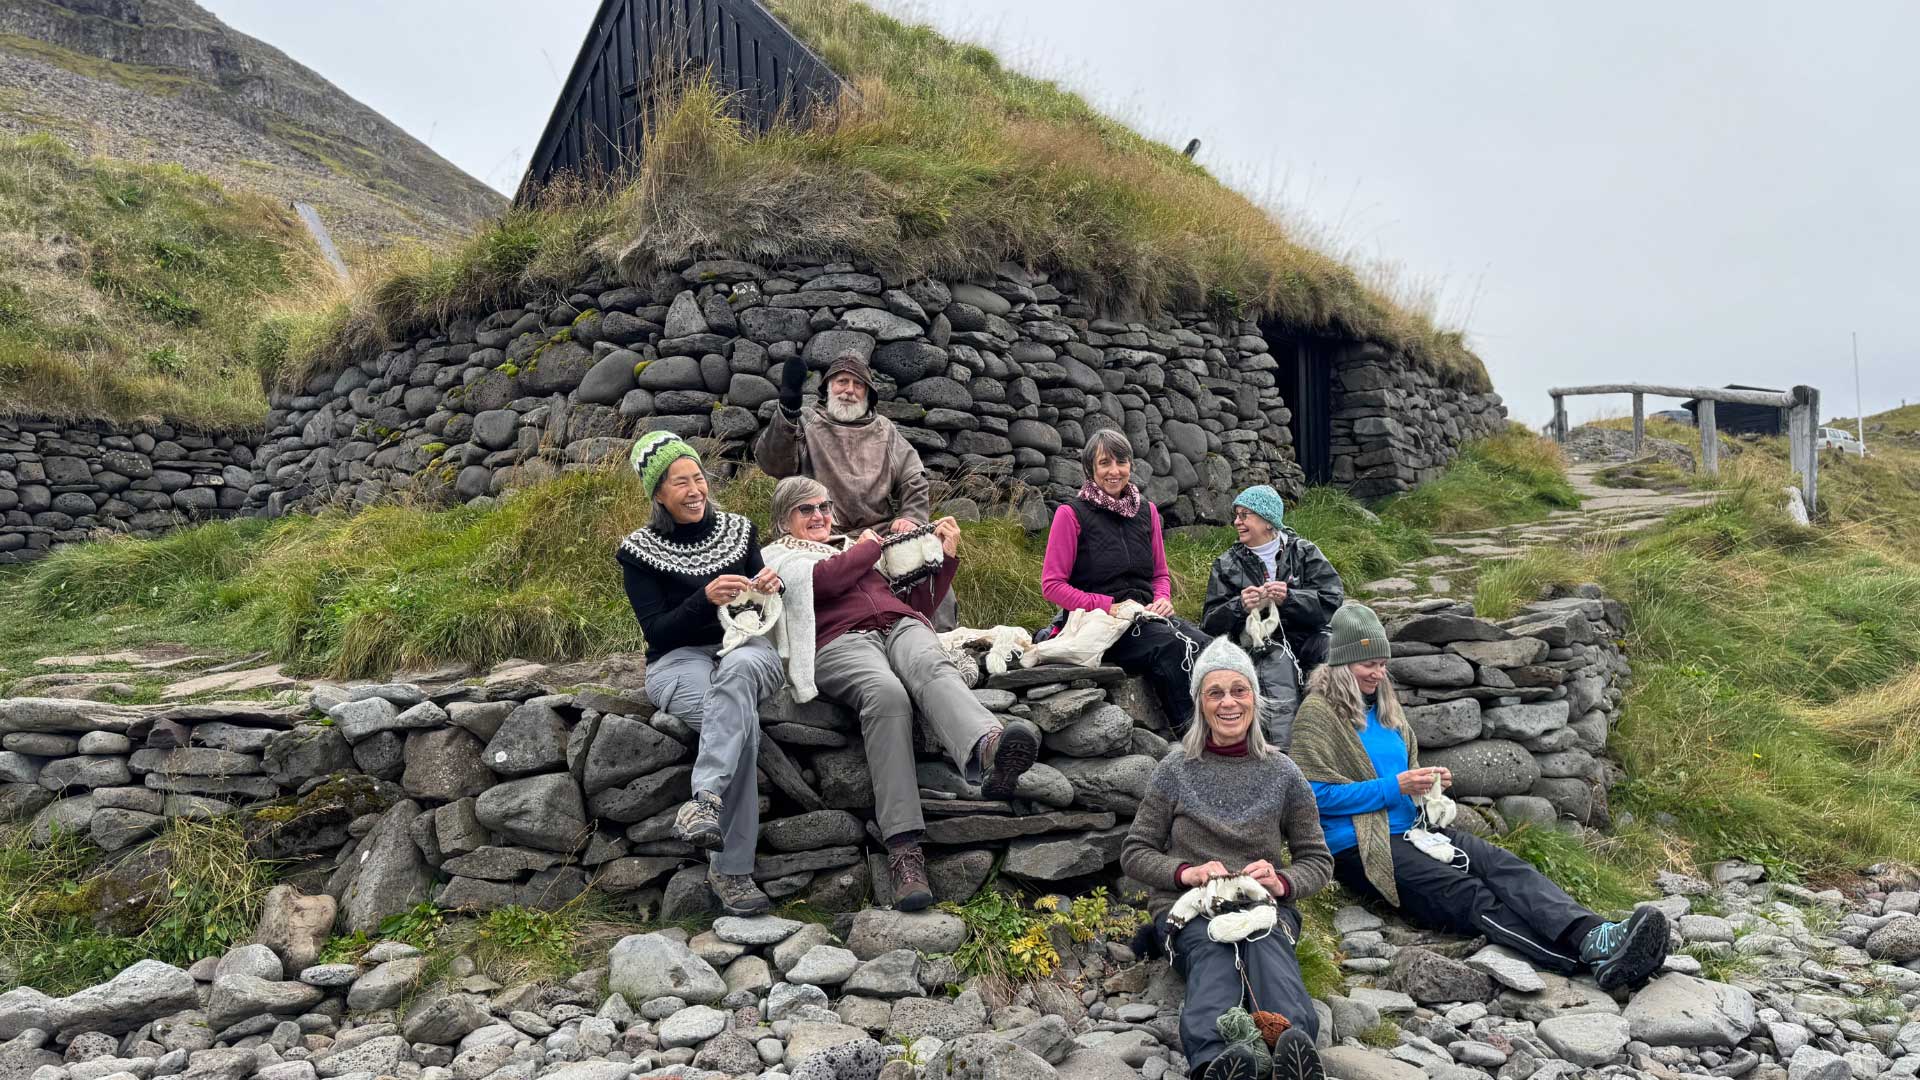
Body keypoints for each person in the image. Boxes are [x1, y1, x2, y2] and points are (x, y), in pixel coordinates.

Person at [1290, 603, 1670, 991]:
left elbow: (1404, 772)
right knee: (1469, 893)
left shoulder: (1386, 708)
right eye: (1367, 664)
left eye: (1383, 663)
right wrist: (1397, 787)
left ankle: (1596, 936)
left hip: (1417, 830)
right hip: (1359, 847)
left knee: (1504, 866)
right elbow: (1311, 797)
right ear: (1341, 663)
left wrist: (1431, 783)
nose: (1378, 673)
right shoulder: (1317, 714)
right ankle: (1582, 960)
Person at [761, 476, 1042, 911]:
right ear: (784, 520)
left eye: (824, 506)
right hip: (839, 642)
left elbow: (920, 606)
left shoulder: (852, 549)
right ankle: (904, 851)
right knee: (885, 693)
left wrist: (944, 558)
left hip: (900, 625)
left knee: (930, 663)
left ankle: (989, 748)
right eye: (806, 509)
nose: (820, 516)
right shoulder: (778, 558)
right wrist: (871, 547)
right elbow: (823, 583)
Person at [1121, 637, 1331, 1080]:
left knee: (1266, 943)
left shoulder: (1284, 773)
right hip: (1186, 909)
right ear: (1200, 703)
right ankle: (1215, 1062)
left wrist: (1281, 882)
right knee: (1212, 949)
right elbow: (1135, 852)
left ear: (1255, 698)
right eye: (1215, 692)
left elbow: (1317, 860)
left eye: (1239, 690)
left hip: (1263, 906)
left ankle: (1292, 1053)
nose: (1228, 702)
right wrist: (1186, 873)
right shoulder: (1174, 770)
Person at [616, 431, 785, 918]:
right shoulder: (639, 551)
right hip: (676, 662)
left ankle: (705, 802)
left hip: (749, 650)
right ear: (658, 494)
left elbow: (767, 606)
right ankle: (732, 871)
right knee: (740, 724)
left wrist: (773, 585)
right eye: (680, 482)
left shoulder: (739, 529)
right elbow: (658, 632)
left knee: (737, 677)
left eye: (698, 479)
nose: (695, 490)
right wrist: (703, 599)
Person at [754, 351, 951, 627]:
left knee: (929, 565)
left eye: (858, 385)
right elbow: (772, 464)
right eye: (842, 382)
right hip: (820, 534)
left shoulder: (884, 431)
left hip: (879, 535)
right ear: (827, 389)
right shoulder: (807, 423)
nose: (849, 391)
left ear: (869, 394)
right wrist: (787, 411)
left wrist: (912, 517)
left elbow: (913, 477)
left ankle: (935, 638)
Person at [1040, 430, 1211, 731]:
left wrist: (1162, 599)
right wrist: (1108, 606)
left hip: (1145, 617)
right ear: (1090, 469)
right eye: (1105, 463)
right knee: (1172, 647)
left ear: (1131, 465)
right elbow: (1052, 585)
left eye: (1122, 461)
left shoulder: (1148, 512)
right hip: (1097, 624)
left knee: (1206, 645)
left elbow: (1159, 573)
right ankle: (1193, 741)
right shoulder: (1071, 514)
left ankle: (1226, 734)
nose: (1114, 471)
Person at [1200, 484, 1345, 748]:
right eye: (1237, 515)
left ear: (1267, 521)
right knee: (1275, 666)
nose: (1237, 522)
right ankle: (1286, 758)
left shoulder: (1304, 552)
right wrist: (1239, 605)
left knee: (1336, 653)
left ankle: (1342, 743)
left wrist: (1290, 598)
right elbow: (1209, 622)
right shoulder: (1227, 563)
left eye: (1245, 515)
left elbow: (1331, 600)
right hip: (1261, 643)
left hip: (1309, 635)